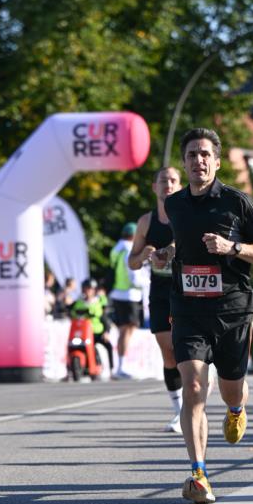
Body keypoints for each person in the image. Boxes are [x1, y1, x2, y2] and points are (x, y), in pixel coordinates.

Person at [151, 127, 253, 504]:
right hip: (188, 308)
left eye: (205, 154)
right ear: (185, 162)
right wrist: (168, 253)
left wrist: (232, 247)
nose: (198, 160)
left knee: (230, 387)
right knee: (193, 387)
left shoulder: (238, 202)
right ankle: (199, 474)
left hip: (234, 308)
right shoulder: (174, 205)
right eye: (191, 155)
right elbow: (183, 243)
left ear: (217, 162)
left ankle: (237, 408)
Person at [128, 166, 185, 432]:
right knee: (168, 352)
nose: (168, 185)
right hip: (160, 291)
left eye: (174, 180)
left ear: (180, 185)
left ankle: (192, 403)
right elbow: (132, 262)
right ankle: (179, 410)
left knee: (185, 349)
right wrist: (144, 255)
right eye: (163, 180)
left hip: (188, 290)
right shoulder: (145, 222)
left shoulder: (187, 216)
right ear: (155, 187)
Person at [109, 222, 148, 378]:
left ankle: (120, 365)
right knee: (127, 330)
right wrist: (146, 283)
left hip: (118, 293)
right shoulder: (128, 249)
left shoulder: (116, 248)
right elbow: (133, 274)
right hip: (129, 294)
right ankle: (121, 367)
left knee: (123, 331)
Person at [70, 278, 114, 373]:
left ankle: (111, 369)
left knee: (108, 346)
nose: (88, 291)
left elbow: (104, 318)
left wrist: (106, 331)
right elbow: (72, 311)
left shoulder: (98, 302)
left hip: (97, 332)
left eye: (90, 288)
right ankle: (70, 368)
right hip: (83, 333)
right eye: (86, 288)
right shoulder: (79, 302)